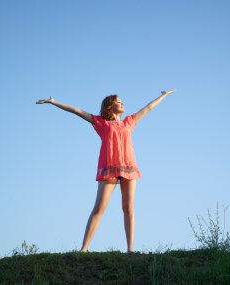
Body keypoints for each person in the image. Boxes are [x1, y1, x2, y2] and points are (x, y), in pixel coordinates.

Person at [36, 88, 175, 253]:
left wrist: (163, 96)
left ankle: (130, 249)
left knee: (128, 208)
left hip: (129, 167)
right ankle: (84, 249)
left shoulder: (129, 121)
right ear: (110, 106)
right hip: (109, 168)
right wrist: (54, 102)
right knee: (99, 208)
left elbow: (148, 108)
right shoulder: (101, 123)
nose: (123, 103)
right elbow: (76, 111)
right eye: (119, 101)